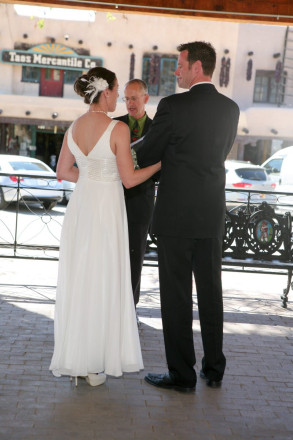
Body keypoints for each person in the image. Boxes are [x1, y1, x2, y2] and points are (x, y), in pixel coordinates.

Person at [137, 41, 240, 392]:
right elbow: (218, 153)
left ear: (197, 67)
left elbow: (149, 149)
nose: (175, 71)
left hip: (176, 218)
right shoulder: (230, 109)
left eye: (180, 65)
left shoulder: (172, 105)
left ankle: (181, 375)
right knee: (212, 294)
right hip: (211, 214)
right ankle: (214, 369)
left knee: (177, 297)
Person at [49, 66, 160, 387]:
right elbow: (129, 179)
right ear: (107, 91)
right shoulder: (117, 129)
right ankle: (95, 362)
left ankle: (79, 360)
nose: (119, 98)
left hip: (81, 209)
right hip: (107, 212)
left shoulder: (75, 126)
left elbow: (62, 171)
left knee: (81, 281)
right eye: (116, 91)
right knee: (104, 281)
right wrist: (159, 163)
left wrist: (94, 179)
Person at [114, 79, 156, 312]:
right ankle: (110, 306)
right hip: (112, 198)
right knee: (111, 254)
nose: (130, 103)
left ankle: (130, 309)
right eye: (126, 98)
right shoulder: (112, 125)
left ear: (145, 99)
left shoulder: (156, 129)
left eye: (134, 98)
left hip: (141, 201)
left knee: (134, 256)